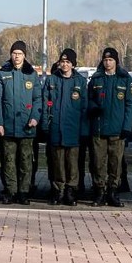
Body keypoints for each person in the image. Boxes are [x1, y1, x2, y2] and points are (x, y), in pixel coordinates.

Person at [0, 40, 41, 204]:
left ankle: (24, 192)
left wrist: (35, 117)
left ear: (24, 55)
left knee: (26, 161)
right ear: (10, 55)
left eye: (19, 54)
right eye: (14, 53)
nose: (16, 56)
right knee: (8, 161)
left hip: (26, 127)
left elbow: (38, 99)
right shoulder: (1, 74)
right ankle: (11, 191)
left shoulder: (31, 74)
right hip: (8, 127)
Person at [86, 47, 132, 207]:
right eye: (105, 60)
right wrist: (93, 106)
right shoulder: (97, 78)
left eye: (111, 60)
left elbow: (130, 104)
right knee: (98, 163)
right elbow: (88, 99)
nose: (108, 63)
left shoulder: (124, 78)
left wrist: (127, 126)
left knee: (115, 163)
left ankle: (113, 192)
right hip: (99, 129)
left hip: (117, 130)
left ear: (116, 61)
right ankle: (99, 192)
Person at [40, 49, 87, 206]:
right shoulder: (52, 80)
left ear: (73, 64)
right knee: (58, 163)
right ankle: (58, 191)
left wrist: (84, 130)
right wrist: (45, 124)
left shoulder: (80, 81)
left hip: (73, 130)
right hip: (55, 129)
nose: (65, 64)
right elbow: (44, 103)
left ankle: (71, 191)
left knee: (73, 164)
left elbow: (84, 107)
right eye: (62, 62)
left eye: (68, 62)